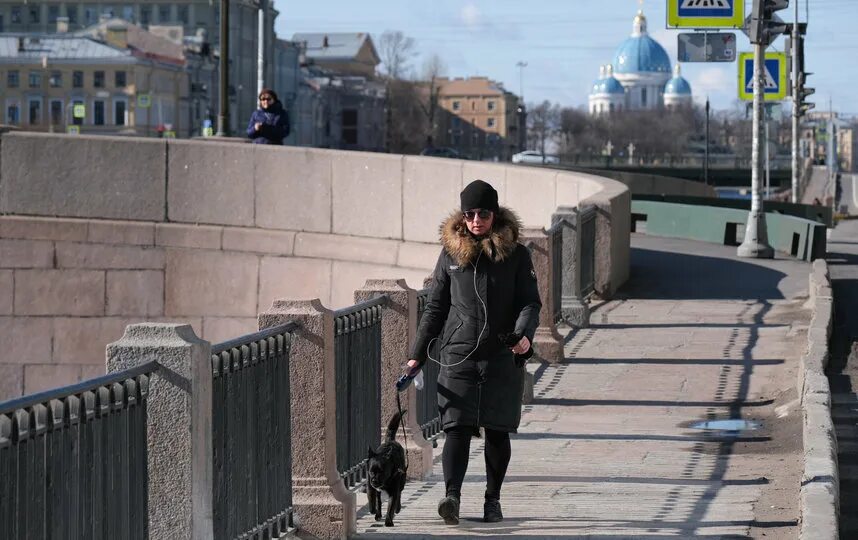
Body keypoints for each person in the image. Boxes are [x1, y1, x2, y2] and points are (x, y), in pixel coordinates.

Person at [405, 179, 541, 525]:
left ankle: (492, 501)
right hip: (458, 355)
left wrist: (524, 337)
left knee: (497, 430)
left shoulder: (517, 255)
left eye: (482, 213)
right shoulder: (450, 254)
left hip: (501, 354)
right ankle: (452, 496)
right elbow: (435, 307)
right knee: (457, 427)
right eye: (469, 214)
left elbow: (529, 303)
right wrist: (416, 355)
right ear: (462, 217)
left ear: (494, 214)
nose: (476, 220)